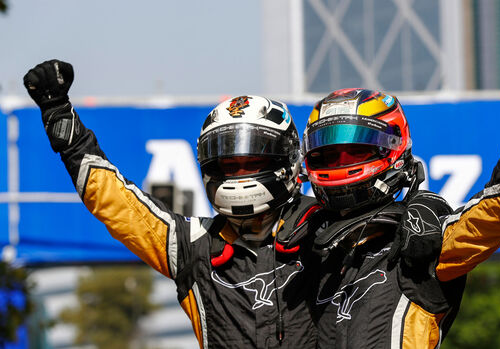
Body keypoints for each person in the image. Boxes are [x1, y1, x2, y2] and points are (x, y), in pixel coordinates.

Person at [23, 60, 322, 348]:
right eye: (228, 165)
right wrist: (59, 115)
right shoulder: (192, 245)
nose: (238, 175)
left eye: (251, 162)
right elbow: (115, 202)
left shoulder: (326, 228)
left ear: (288, 161)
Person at [299, 43, 500, 348]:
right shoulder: (302, 248)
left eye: (356, 151)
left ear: (393, 148)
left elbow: (498, 210)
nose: (343, 163)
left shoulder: (421, 240)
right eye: (329, 155)